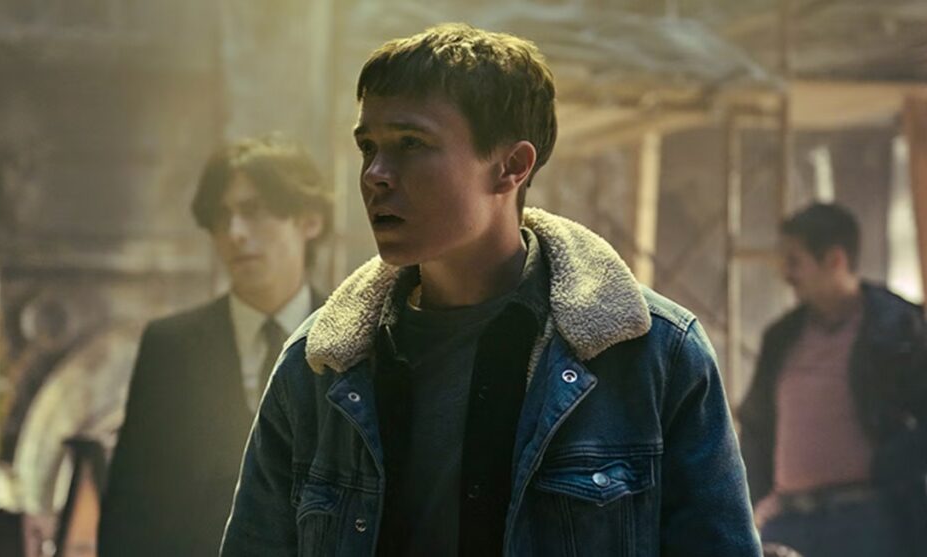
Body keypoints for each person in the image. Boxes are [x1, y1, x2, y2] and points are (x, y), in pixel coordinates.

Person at [221, 23, 760, 556]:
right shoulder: (319, 367)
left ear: (511, 167)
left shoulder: (653, 355)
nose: (375, 174)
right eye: (368, 147)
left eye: (411, 143)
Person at [97, 136, 333, 556]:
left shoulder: (355, 338)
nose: (234, 233)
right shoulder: (170, 348)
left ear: (309, 220)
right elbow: (129, 511)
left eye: (253, 211)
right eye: (220, 217)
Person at [739, 203, 927, 557]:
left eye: (795, 261)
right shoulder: (782, 337)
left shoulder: (897, 328)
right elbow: (755, 424)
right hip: (787, 522)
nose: (786, 274)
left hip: (866, 522)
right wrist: (757, 497)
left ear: (835, 260)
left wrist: (891, 468)